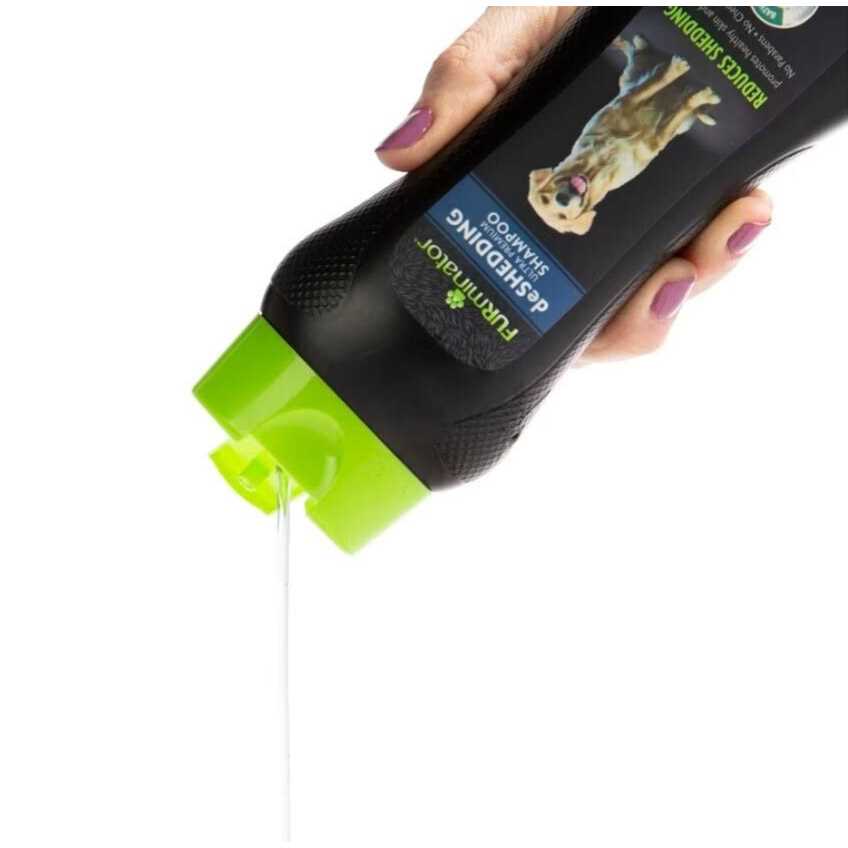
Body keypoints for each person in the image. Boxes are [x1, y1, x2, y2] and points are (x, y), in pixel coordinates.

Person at [375, 7, 772, 364]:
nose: (563, 196)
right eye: (564, 207)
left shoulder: (584, 146)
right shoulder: (607, 180)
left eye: (550, 195)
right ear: (582, 213)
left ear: (545, 178)